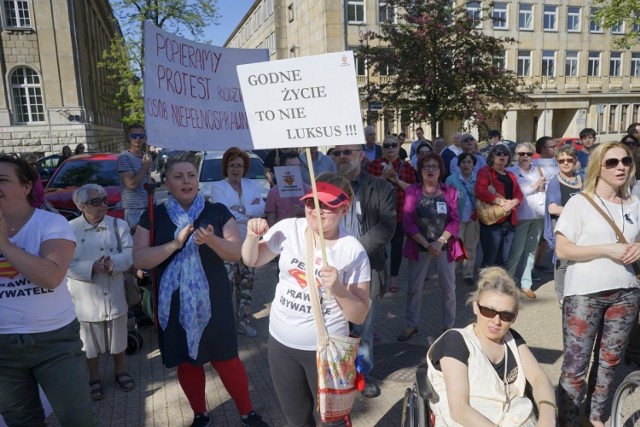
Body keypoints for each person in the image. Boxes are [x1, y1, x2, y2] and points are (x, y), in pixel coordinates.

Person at [132, 151, 268, 427]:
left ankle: (247, 412)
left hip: (213, 297)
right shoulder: (152, 215)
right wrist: (174, 245)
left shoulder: (216, 211)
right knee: (187, 360)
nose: (186, 181)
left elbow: (237, 253)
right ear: (166, 182)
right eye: (178, 176)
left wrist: (212, 241)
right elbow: (140, 259)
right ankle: (200, 414)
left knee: (225, 356)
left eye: (191, 175)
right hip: (174, 302)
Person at [241, 173, 370, 427]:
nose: (316, 211)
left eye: (328, 206)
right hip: (281, 344)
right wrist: (251, 236)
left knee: (330, 421)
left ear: (344, 209)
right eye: (312, 202)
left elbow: (359, 315)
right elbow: (252, 260)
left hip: (326, 351)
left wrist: (340, 290)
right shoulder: (289, 229)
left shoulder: (352, 250)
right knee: (296, 420)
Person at [0, 154, 98, 426]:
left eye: (2, 180)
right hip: (3, 348)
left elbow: (52, 276)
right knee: (20, 421)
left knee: (77, 419)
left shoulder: (50, 223)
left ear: (26, 186)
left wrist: (5, 245)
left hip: (53, 341)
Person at [555, 142, 640, 426]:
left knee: (609, 363)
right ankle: (567, 420)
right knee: (575, 365)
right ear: (598, 168)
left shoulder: (635, 204)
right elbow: (563, 250)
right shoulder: (581, 202)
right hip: (584, 294)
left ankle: (594, 418)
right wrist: (606, 249)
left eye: (626, 161)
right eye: (612, 162)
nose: (621, 167)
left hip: (626, 292)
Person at [426, 267, 557, 427]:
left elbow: (539, 378)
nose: (496, 321)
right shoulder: (456, 341)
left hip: (516, 419)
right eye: (488, 311)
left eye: (506, 315)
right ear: (475, 306)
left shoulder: (512, 340)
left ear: (515, 316)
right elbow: (459, 409)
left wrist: (547, 417)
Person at [332, 144, 396, 398]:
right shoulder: (326, 186)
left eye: (347, 152)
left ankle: (362, 374)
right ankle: (337, 374)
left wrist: (354, 251)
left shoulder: (380, 187)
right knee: (334, 326)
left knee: (363, 328)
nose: (342, 157)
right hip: (331, 271)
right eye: (337, 153)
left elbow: (387, 226)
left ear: (361, 155)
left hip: (366, 269)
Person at [67, 184, 134, 401]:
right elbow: (64, 264)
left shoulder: (119, 225)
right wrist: (91, 267)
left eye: (105, 200)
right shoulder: (69, 230)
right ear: (81, 206)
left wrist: (113, 263)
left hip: (114, 289)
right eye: (96, 201)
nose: (103, 205)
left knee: (118, 333)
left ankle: (120, 371)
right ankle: (94, 377)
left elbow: (130, 254)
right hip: (85, 295)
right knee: (89, 341)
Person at [398, 152, 459, 341]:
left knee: (449, 288)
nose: (431, 170)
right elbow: (408, 222)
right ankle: (411, 325)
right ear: (421, 171)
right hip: (420, 246)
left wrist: (439, 242)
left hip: (444, 246)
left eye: (435, 166)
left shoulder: (450, 191)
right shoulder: (412, 192)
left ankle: (449, 326)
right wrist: (427, 244)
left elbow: (455, 221)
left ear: (440, 170)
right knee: (414, 288)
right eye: (426, 167)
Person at [209, 147, 266, 337]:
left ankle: (243, 320)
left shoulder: (251, 184)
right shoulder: (218, 187)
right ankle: (223, 323)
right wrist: (249, 210)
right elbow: (222, 212)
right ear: (226, 167)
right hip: (228, 244)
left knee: (246, 284)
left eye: (239, 166)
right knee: (226, 285)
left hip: (250, 243)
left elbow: (261, 208)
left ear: (245, 168)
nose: (236, 169)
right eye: (232, 165)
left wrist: (240, 209)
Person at [367, 135, 417, 292]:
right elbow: (368, 188)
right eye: (387, 145)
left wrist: (395, 180)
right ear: (383, 148)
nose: (390, 148)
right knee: (379, 246)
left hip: (399, 213)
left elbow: (413, 190)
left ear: (398, 147)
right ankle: (380, 274)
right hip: (378, 213)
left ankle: (394, 277)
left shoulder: (407, 167)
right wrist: (383, 177)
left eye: (393, 145)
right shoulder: (374, 165)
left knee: (396, 247)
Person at [507, 142, 547, 300]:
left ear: (533, 155)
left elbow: (545, 190)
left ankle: (526, 284)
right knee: (516, 251)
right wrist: (533, 186)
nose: (525, 157)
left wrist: (542, 188)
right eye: (521, 154)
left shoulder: (540, 170)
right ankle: (508, 284)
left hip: (538, 216)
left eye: (528, 154)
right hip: (522, 216)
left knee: (531, 251)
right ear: (516, 155)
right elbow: (514, 194)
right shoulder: (511, 172)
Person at [542, 145, 582, 305]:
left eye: (569, 160)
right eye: (561, 160)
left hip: (581, 227)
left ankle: (576, 290)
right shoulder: (554, 182)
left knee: (578, 259)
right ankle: (562, 295)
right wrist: (575, 211)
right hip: (563, 227)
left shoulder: (581, 179)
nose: (565, 163)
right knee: (563, 261)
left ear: (575, 161)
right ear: (557, 162)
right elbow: (552, 208)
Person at [475, 144, 523, 268]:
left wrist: (514, 202)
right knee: (490, 259)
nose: (502, 155)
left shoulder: (510, 175)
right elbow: (480, 190)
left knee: (504, 260)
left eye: (505, 153)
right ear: (492, 156)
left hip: (509, 220)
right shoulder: (485, 172)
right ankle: (486, 286)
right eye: (498, 153)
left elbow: (518, 192)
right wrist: (499, 201)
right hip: (492, 221)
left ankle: (499, 286)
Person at [445, 152, 480, 287]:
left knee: (470, 246)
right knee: (455, 247)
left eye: (469, 162)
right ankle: (450, 273)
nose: (466, 165)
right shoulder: (451, 180)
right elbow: (446, 200)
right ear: (459, 164)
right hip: (456, 219)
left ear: (473, 164)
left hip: (473, 218)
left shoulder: (478, 179)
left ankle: (468, 274)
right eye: (463, 162)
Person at [118, 123, 153, 231]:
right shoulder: (124, 157)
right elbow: (131, 184)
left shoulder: (147, 156)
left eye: (141, 136)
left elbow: (144, 179)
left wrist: (150, 181)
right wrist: (144, 167)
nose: (138, 138)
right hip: (135, 209)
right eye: (134, 136)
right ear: (129, 137)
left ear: (145, 138)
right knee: (136, 243)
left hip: (150, 204)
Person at [265, 150, 310, 226]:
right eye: (292, 166)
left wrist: (302, 212)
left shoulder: (308, 189)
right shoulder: (274, 192)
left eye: (298, 166)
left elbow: (317, 214)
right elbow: (270, 218)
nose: (296, 169)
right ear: (283, 168)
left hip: (304, 233)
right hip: (283, 235)